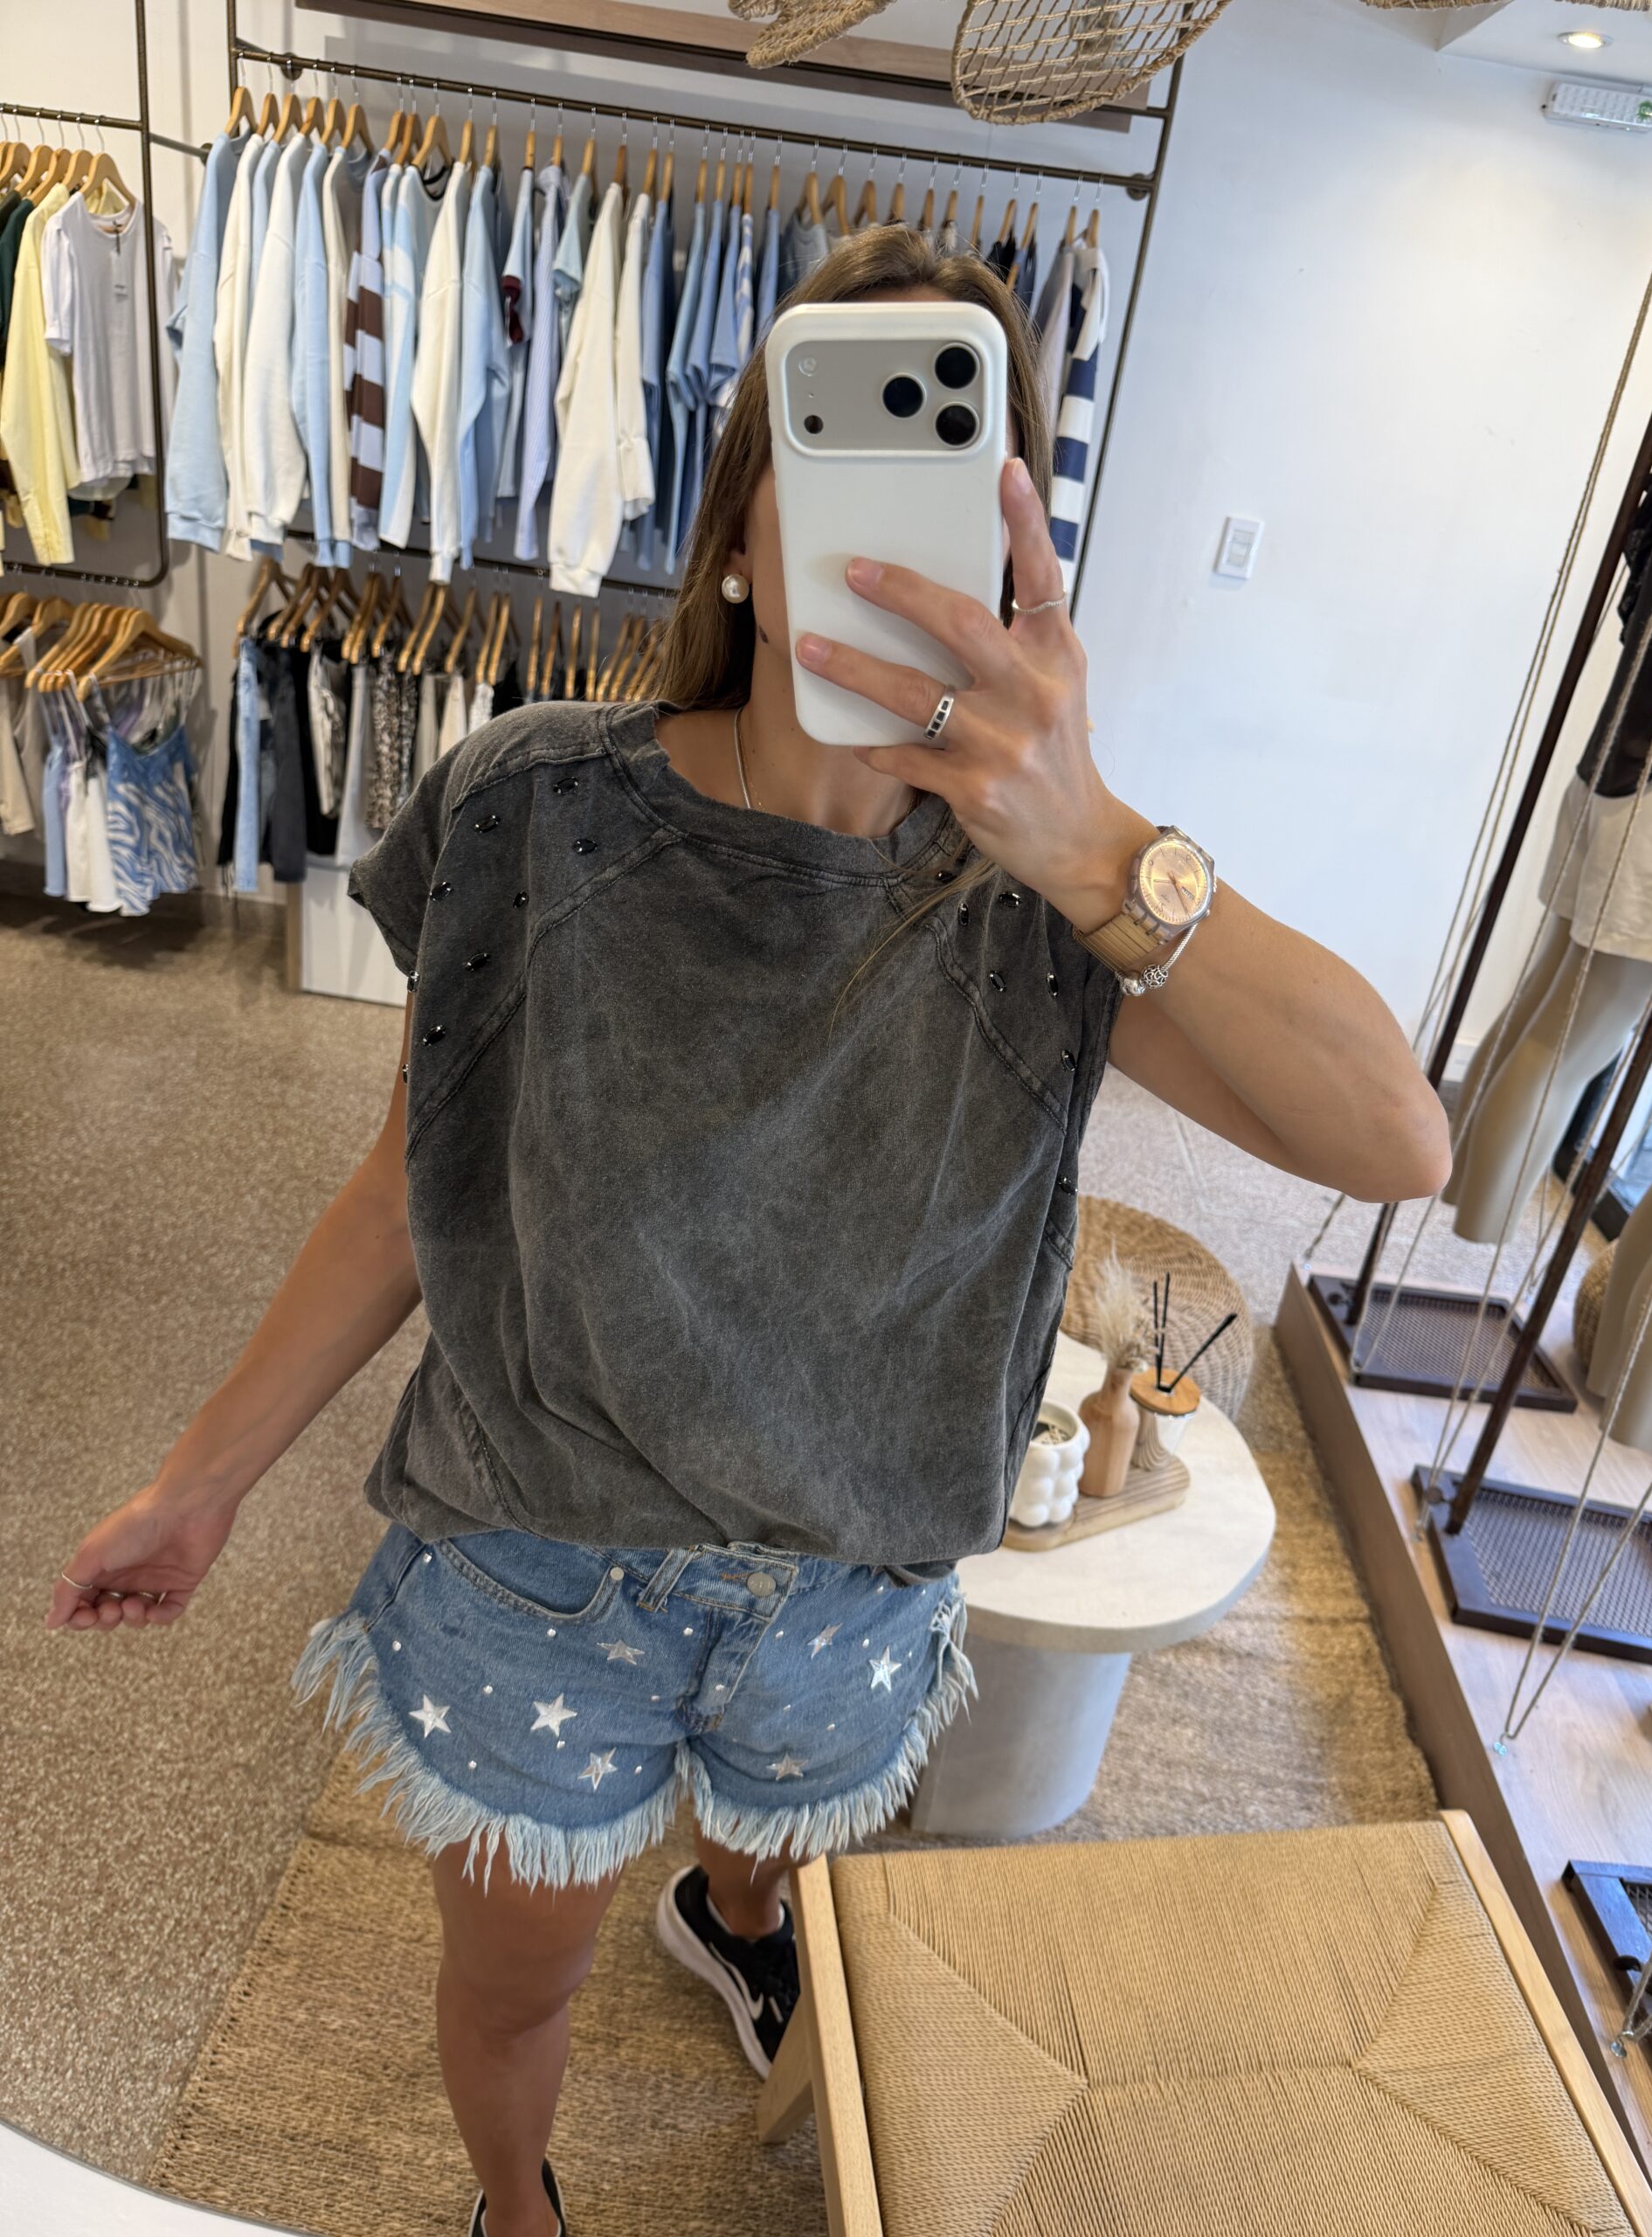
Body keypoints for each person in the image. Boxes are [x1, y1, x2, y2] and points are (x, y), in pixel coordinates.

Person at [45, 227, 1449, 2237]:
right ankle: (518, 2208)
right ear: (734, 532)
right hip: (537, 1566)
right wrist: (202, 1483)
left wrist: (1090, 839)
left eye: (943, 459)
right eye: (832, 441)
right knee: (515, 1986)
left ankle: (729, 1913)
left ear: (1013, 544)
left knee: (770, 1843)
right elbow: (409, 1181)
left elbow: (1396, 1138)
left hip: (853, 1581)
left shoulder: (1059, 900)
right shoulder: (529, 811)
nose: (885, 515)